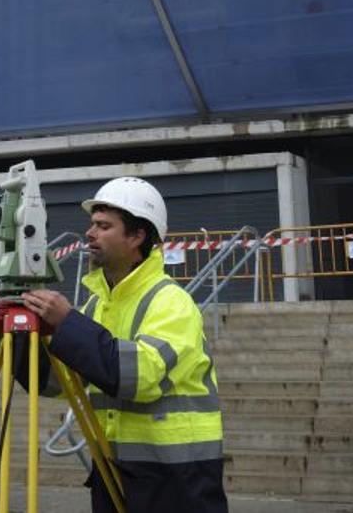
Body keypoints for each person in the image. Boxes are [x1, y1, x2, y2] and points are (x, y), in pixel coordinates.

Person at [20, 177, 227, 513]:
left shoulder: (170, 301)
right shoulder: (98, 305)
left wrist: (69, 322)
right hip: (115, 469)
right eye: (92, 224)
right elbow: (62, 383)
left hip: (176, 475)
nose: (90, 233)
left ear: (136, 236)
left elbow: (140, 377)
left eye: (103, 226)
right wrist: (20, 342)